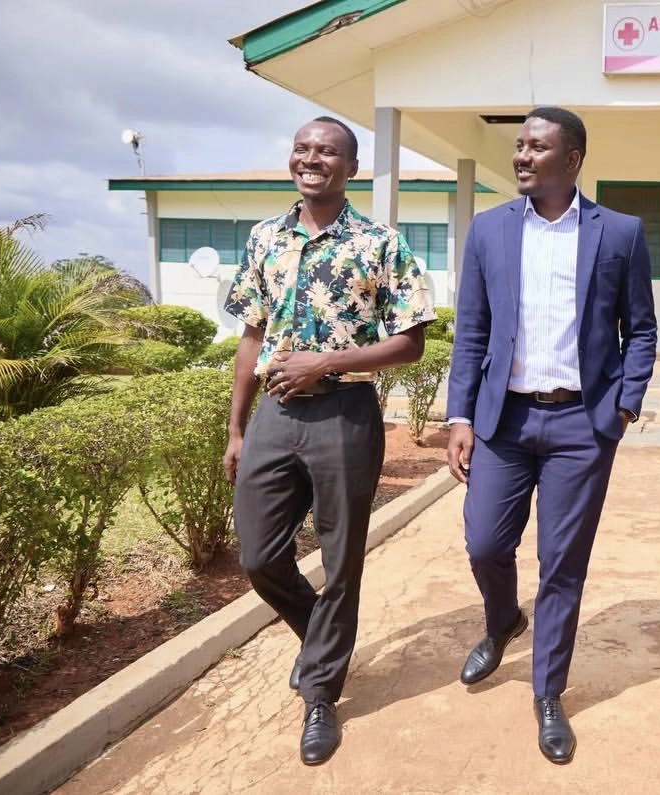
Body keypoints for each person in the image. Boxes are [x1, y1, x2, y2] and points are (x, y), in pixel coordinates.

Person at [445, 105, 658, 765]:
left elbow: (641, 328)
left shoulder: (619, 232)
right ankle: (502, 620)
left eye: (537, 147)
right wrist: (459, 416)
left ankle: (548, 692)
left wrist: (624, 407)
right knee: (485, 542)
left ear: (572, 158)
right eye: (519, 145)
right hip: (503, 420)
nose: (522, 156)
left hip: (581, 424)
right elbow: (471, 330)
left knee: (562, 563)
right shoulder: (489, 230)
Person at [222, 116, 434, 766]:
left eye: (328, 151)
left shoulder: (380, 244)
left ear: (351, 167)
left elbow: (412, 342)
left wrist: (328, 362)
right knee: (259, 557)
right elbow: (252, 336)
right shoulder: (264, 237)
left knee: (341, 561)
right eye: (303, 148)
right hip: (275, 414)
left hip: (345, 413)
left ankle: (320, 694)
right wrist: (236, 427)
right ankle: (322, 641)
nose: (311, 159)